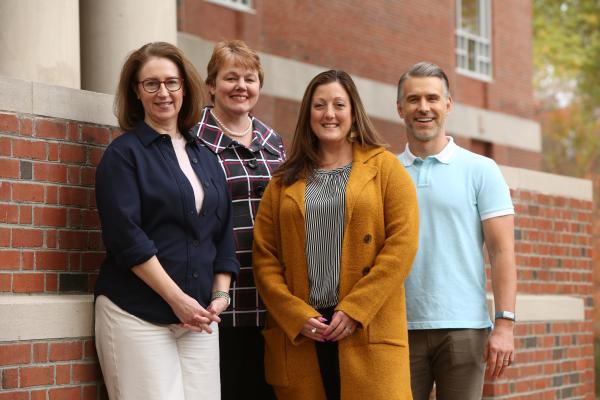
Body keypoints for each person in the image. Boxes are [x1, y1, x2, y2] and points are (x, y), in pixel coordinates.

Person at [252, 69, 419, 400]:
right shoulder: (283, 180)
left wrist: (355, 309)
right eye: (319, 105)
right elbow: (264, 257)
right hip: (304, 333)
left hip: (365, 327)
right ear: (308, 114)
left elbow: (403, 245)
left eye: (339, 105)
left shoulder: (386, 169)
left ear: (353, 112)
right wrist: (295, 315)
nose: (329, 114)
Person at [94, 42, 239, 400]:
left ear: (185, 88)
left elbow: (221, 237)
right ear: (136, 92)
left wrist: (219, 296)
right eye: (152, 84)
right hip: (137, 315)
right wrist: (178, 299)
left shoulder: (206, 156)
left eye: (172, 83)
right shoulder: (123, 155)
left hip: (198, 321)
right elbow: (127, 238)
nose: (164, 93)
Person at [396, 62, 517, 400]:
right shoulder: (385, 171)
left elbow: (502, 250)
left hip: (464, 327)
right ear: (400, 108)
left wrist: (505, 323)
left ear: (447, 105)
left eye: (432, 98)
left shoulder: (481, 169)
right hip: (396, 326)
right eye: (414, 99)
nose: (423, 107)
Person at [191, 40, 285, 399]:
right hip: (213, 296)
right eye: (231, 78)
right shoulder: (191, 139)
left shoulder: (274, 142)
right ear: (211, 85)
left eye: (250, 78)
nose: (241, 87)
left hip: (269, 294)